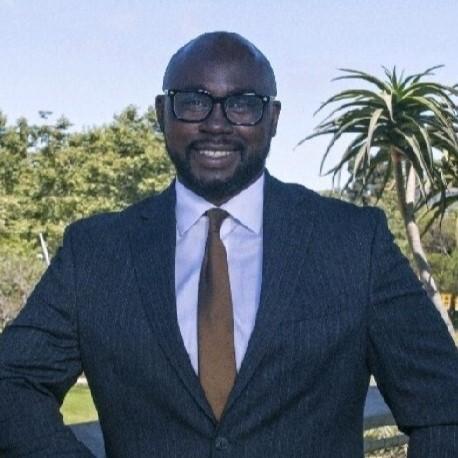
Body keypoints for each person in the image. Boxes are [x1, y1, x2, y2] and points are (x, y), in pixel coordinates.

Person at [0, 31, 457, 458]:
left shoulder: (354, 243)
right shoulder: (95, 253)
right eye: (194, 102)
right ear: (161, 113)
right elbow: (11, 382)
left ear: (273, 119)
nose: (216, 124)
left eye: (243, 104)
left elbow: (444, 406)